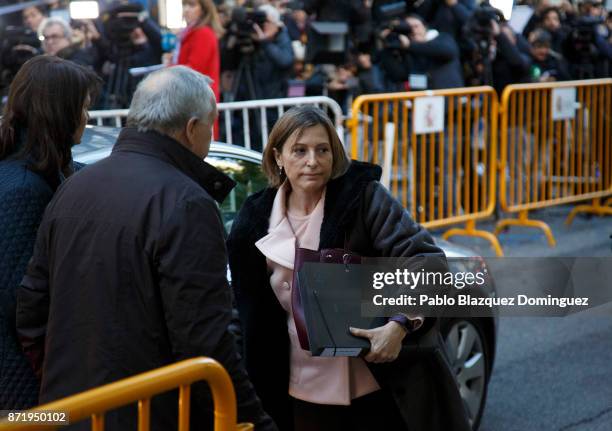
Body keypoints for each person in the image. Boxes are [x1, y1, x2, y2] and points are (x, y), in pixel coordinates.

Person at [15, 66, 276, 431]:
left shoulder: (74, 186)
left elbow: (31, 308)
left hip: (68, 412)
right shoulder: (186, 202)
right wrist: (254, 422)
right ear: (191, 128)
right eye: (210, 125)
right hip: (151, 416)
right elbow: (203, 341)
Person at [227, 106, 470, 431]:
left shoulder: (363, 198)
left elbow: (427, 261)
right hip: (299, 391)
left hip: (379, 383)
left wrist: (398, 324)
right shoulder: (254, 219)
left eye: (322, 149)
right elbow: (242, 310)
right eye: (299, 150)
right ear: (278, 157)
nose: (312, 160)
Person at [0, 55, 99, 409]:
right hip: (20, 388)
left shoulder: (37, 172)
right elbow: (22, 302)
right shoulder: (25, 188)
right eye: (84, 108)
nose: (87, 119)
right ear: (62, 111)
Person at [176, 0, 224, 101]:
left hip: (199, 101)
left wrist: (168, 70)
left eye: (192, 5)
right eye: (184, 5)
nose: (186, 9)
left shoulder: (203, 33)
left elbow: (193, 71)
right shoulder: (190, 32)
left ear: (203, 10)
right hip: (193, 99)